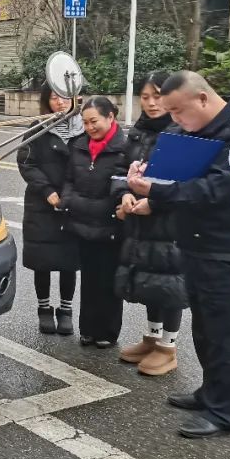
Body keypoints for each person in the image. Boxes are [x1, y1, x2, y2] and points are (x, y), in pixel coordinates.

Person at [127, 70, 230, 439]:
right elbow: (173, 174)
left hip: (229, 250)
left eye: (178, 110)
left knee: (227, 333)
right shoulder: (195, 131)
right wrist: (147, 173)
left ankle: (224, 412)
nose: (174, 118)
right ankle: (210, 393)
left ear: (202, 99)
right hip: (196, 244)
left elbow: (215, 189)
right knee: (206, 329)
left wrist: (155, 192)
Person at [115, 72, 188, 376]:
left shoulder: (181, 132)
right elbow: (121, 170)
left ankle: (168, 347)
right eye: (145, 97)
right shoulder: (138, 132)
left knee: (169, 282)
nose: (151, 103)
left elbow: (185, 182)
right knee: (149, 279)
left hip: (169, 221)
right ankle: (152, 337)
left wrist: (154, 203)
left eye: (157, 96)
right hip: (140, 220)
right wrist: (123, 195)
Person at [61, 96, 129, 348]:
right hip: (82, 223)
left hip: (111, 225)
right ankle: (88, 329)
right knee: (89, 279)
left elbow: (125, 184)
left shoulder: (124, 148)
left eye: (94, 121)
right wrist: (68, 199)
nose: (89, 127)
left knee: (108, 280)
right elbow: (69, 179)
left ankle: (107, 332)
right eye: (85, 122)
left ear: (110, 117)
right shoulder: (79, 145)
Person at [17, 84, 84, 335]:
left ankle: (66, 310)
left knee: (69, 261)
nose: (60, 102)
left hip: (72, 203)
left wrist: (69, 195)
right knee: (42, 260)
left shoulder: (83, 128)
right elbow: (26, 162)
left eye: (64, 97)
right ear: (47, 101)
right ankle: (43, 308)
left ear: (74, 99)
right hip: (41, 204)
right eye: (54, 97)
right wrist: (47, 191)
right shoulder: (38, 127)